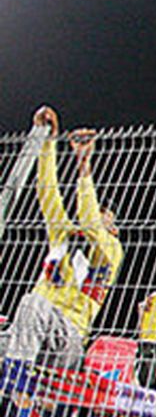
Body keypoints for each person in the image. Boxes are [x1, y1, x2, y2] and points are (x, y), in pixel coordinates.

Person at [1, 107, 122, 369]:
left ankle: (18, 381)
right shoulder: (64, 235)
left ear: (114, 228)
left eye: (106, 215)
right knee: (21, 316)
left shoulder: (111, 249)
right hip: (30, 332)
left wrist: (83, 166)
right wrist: (48, 142)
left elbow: (91, 225)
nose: (100, 216)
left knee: (33, 303)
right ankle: (19, 394)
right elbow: (47, 191)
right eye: (99, 209)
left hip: (67, 338)